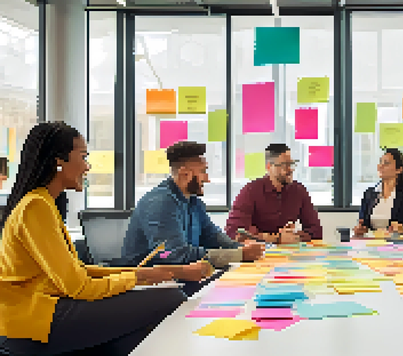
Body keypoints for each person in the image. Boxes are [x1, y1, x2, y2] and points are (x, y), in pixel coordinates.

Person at [0, 122, 209, 356]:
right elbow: (79, 287)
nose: (87, 166)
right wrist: (136, 277)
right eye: (83, 156)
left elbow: (75, 271)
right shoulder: (35, 207)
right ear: (59, 161)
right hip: (33, 323)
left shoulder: (43, 203)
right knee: (170, 297)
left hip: (44, 312)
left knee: (134, 336)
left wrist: (147, 274)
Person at [121, 141, 264, 269]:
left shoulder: (194, 203)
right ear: (184, 174)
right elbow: (173, 255)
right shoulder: (160, 202)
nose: (207, 179)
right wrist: (238, 255)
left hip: (180, 279)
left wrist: (245, 248)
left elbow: (214, 238)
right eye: (203, 172)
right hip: (146, 284)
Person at [226, 143, 323, 244]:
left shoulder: (299, 191)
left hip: (289, 255)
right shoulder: (250, 191)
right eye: (285, 165)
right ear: (269, 166)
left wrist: (295, 236)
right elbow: (233, 232)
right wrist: (275, 238)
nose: (290, 169)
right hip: (258, 253)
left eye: (291, 164)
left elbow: (316, 230)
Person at [353, 148, 403, 237]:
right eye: (380, 162)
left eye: (386, 163)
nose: (380, 166)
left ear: (399, 170)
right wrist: (360, 229)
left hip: (399, 245)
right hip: (372, 244)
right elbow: (363, 223)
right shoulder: (369, 194)